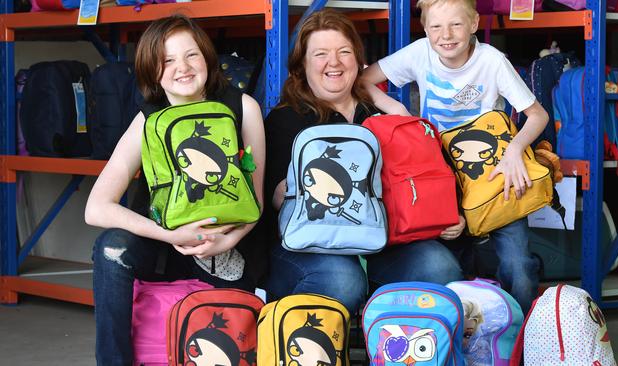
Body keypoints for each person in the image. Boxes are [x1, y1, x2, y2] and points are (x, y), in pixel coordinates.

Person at [84, 14, 265, 365]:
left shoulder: (243, 108)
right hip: (162, 241)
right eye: (167, 60)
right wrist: (169, 235)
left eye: (191, 55)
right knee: (110, 249)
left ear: (208, 59)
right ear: (152, 70)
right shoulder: (148, 120)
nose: (182, 67)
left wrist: (227, 240)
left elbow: (253, 202)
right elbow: (96, 208)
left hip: (226, 245)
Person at [263, 8, 463, 315]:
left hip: (385, 241)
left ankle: (393, 350)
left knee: (439, 266)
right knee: (343, 280)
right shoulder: (286, 118)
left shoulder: (378, 112)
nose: (334, 62)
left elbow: (418, 177)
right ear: (302, 64)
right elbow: (277, 197)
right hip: (311, 244)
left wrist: (450, 216)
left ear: (358, 59)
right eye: (320, 54)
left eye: (344, 52)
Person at [360, 0, 548, 314]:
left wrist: (515, 150)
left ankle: (520, 343)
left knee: (518, 267)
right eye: (436, 27)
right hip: (439, 174)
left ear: (474, 24)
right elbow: (364, 80)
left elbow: (537, 115)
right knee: (452, 270)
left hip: (493, 173)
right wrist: (401, 113)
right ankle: (462, 339)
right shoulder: (420, 52)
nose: (446, 35)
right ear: (425, 29)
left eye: (456, 25)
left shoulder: (491, 60)